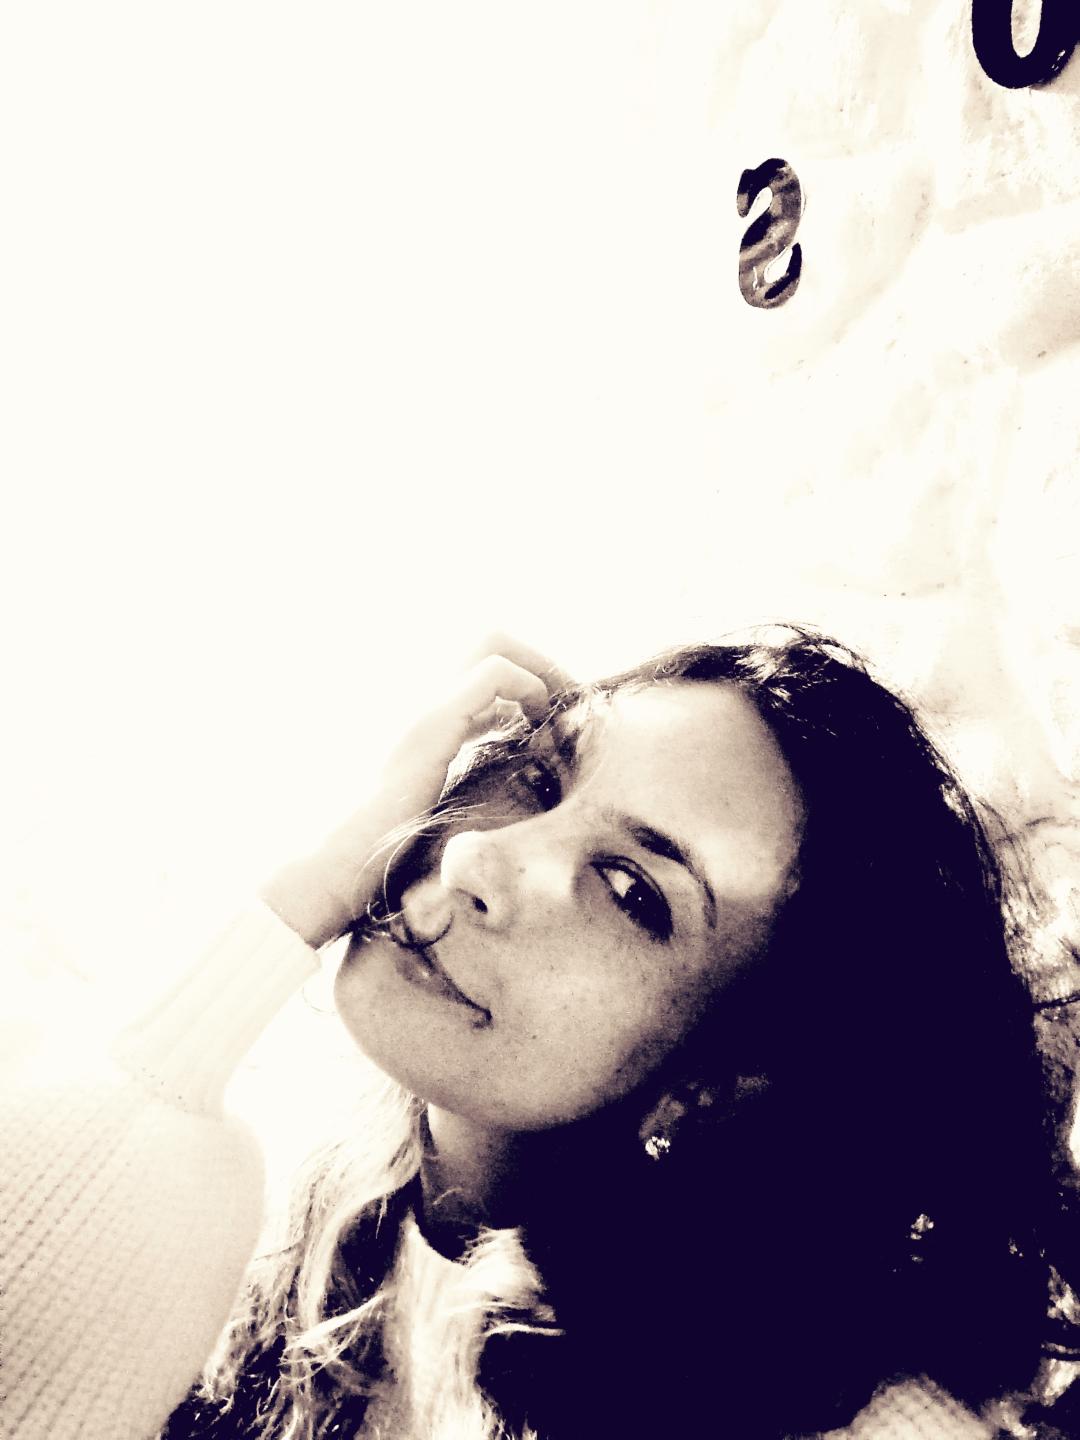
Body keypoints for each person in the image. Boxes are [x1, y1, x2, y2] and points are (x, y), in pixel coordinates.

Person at [1, 628, 1071, 1440]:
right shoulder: (284, 1173)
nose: (478, 857)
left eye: (631, 889)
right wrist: (287, 915)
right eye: (540, 777)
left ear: (725, 1078)